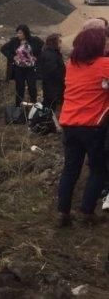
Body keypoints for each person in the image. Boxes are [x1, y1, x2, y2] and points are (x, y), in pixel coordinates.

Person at [57, 28, 109, 227]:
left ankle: (63, 212)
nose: (107, 45)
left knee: (70, 169)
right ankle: (87, 212)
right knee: (98, 170)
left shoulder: (71, 64)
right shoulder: (105, 64)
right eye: (104, 42)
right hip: (92, 126)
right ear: (96, 44)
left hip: (69, 123)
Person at [0, 25, 44, 107]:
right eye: (17, 33)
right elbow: (3, 49)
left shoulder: (34, 40)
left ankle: (34, 106)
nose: (18, 35)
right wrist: (12, 57)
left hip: (31, 69)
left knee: (32, 88)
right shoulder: (14, 41)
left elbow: (43, 48)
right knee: (19, 88)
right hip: (18, 69)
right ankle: (18, 108)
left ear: (25, 33)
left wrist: (36, 58)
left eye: (20, 33)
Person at [39, 33, 65, 112]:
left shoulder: (53, 53)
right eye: (59, 41)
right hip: (53, 87)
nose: (61, 43)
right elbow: (52, 71)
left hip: (52, 86)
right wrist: (63, 77)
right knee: (52, 107)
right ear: (54, 42)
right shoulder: (50, 54)